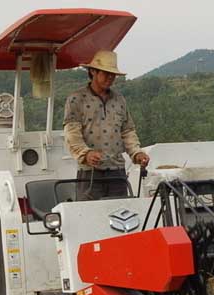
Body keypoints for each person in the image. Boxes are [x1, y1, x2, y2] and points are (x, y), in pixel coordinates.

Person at [63, 50, 150, 200]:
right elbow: (72, 133)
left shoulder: (119, 100)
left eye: (112, 74)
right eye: (105, 73)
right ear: (93, 71)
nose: (110, 78)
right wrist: (86, 153)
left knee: (121, 216)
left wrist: (136, 153)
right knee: (90, 215)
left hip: (117, 171)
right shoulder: (76, 99)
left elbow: (127, 131)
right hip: (90, 172)